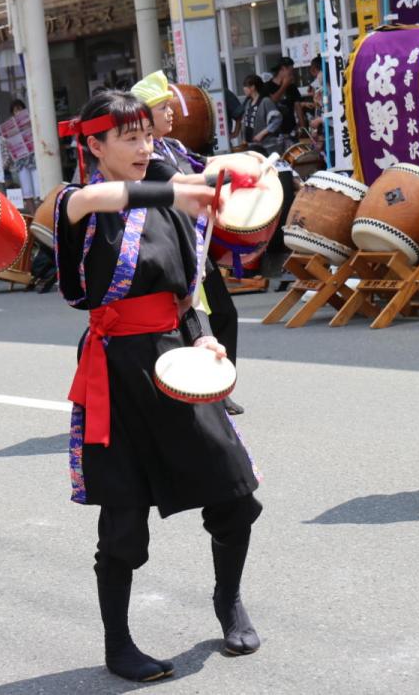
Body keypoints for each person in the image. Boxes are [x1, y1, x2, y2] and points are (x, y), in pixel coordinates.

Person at [55, 90, 265, 683]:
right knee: (122, 524)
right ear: (94, 145)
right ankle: (118, 644)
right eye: (129, 138)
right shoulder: (76, 201)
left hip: (173, 362)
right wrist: (179, 187)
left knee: (235, 494)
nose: (146, 148)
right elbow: (97, 196)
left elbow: (182, 296)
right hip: (115, 369)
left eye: (148, 135)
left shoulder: (169, 203)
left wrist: (200, 335)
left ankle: (228, 599)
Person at [132, 70, 246, 415]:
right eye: (163, 107)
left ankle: (220, 386)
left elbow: (205, 163)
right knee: (188, 320)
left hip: (194, 242)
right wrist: (226, 177)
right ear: (144, 115)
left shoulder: (174, 146)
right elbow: (183, 181)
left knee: (224, 314)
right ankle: (190, 392)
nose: (171, 113)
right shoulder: (147, 155)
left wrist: (247, 159)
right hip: (167, 247)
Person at [5, 99, 40, 214]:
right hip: (20, 162)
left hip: (33, 159)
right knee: (27, 191)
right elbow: (8, 145)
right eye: (15, 110)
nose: (18, 112)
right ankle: (33, 216)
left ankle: (40, 215)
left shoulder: (31, 122)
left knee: (39, 189)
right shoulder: (10, 126)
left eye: (20, 108)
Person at [240, 75, 283, 155]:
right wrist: (244, 138)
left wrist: (261, 134)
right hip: (252, 146)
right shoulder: (248, 103)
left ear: (253, 87)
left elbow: (277, 119)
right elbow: (245, 122)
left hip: (268, 146)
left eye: (245, 86)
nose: (244, 89)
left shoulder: (265, 101)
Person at [269, 58, 302, 139]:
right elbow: (273, 100)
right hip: (274, 133)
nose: (291, 74)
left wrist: (302, 126)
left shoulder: (292, 87)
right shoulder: (268, 86)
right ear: (283, 69)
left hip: (291, 131)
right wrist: (284, 85)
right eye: (290, 71)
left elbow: (298, 107)